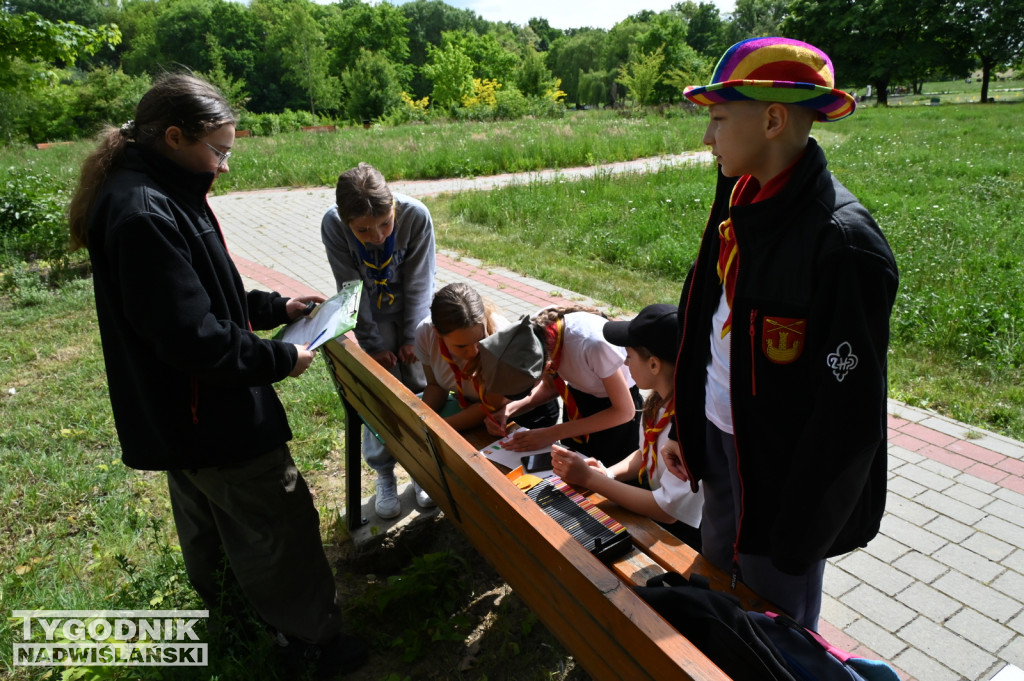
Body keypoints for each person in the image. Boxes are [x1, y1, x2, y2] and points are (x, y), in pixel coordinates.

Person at [67, 73, 366, 678]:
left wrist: (270, 309)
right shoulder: (143, 211)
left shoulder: (159, 188)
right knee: (278, 524)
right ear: (175, 136)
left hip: (185, 415)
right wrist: (281, 357)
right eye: (219, 150)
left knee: (212, 519)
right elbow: (191, 337)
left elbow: (202, 292)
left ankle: (233, 616)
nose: (225, 166)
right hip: (212, 413)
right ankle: (311, 645)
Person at [661, 37, 899, 630]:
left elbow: (849, 417)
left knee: (774, 625)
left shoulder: (842, 245)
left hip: (780, 477)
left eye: (717, 119)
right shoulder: (739, 200)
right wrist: (689, 423)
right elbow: (708, 321)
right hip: (721, 443)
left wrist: (802, 531)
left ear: (772, 120)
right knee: (718, 581)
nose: (706, 139)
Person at [321, 163, 436, 519]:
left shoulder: (416, 216)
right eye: (364, 230)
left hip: (413, 314)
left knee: (419, 388)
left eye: (386, 223)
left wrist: (411, 338)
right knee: (377, 394)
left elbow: (419, 282)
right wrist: (372, 345)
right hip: (368, 316)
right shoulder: (333, 225)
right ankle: (383, 472)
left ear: (394, 210)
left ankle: (422, 470)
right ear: (346, 223)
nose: (379, 236)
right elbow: (350, 288)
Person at [551, 304, 703, 549]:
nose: (624, 362)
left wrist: (591, 479)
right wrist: (608, 474)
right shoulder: (658, 403)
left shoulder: (689, 428)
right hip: (658, 515)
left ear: (654, 365)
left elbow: (668, 510)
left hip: (686, 536)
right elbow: (646, 453)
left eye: (629, 356)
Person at [484, 305, 642, 467]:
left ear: (545, 367)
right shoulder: (536, 335)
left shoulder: (592, 343)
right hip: (577, 402)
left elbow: (624, 411)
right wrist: (509, 410)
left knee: (606, 476)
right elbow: (550, 387)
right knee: (570, 469)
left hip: (614, 414)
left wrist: (551, 433)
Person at [414, 282, 559, 433]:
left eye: (480, 339)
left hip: (525, 416)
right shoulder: (426, 334)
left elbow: (491, 406)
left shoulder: (501, 342)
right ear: (437, 332)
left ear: (484, 320)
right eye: (461, 346)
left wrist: (433, 428)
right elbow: (435, 386)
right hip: (476, 415)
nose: (473, 352)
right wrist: (421, 417)